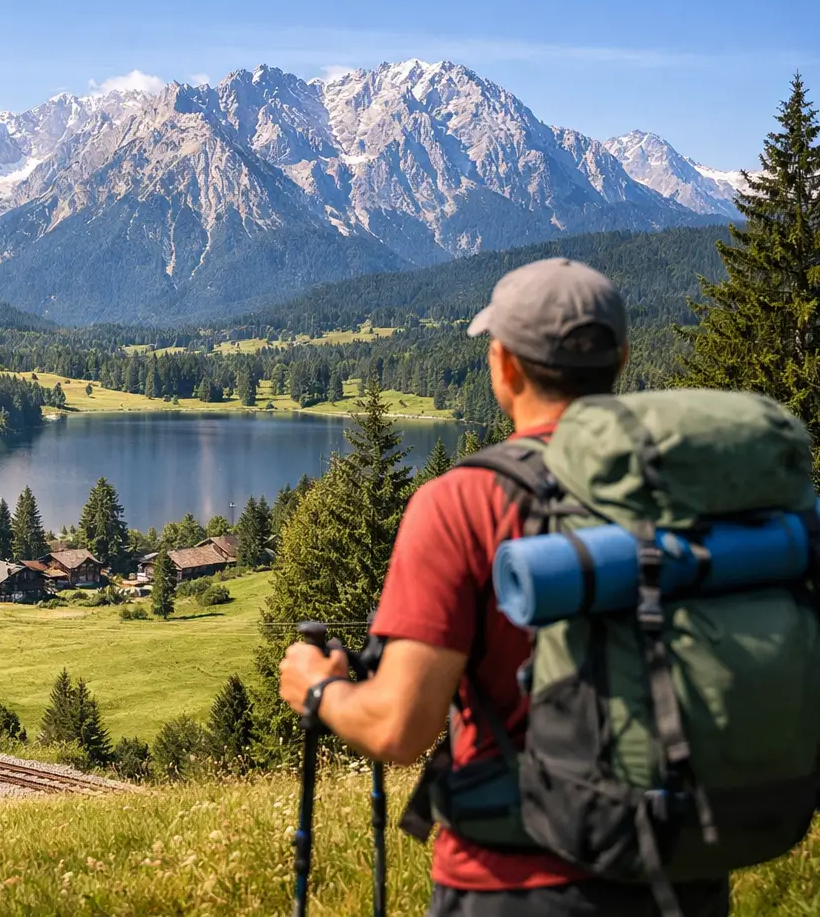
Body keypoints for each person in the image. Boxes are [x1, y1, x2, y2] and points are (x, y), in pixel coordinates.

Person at [278, 258, 729, 916]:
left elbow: (401, 730)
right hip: (681, 872)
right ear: (622, 358)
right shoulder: (693, 488)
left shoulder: (464, 503)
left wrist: (319, 689)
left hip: (515, 882)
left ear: (504, 365)